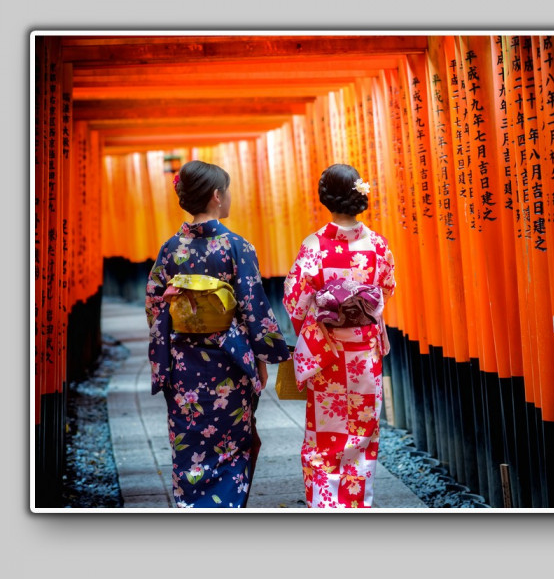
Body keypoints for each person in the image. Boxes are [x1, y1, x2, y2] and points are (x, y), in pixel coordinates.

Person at [145, 160, 290, 508]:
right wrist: (263, 356)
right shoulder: (237, 246)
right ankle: (226, 509)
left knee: (189, 442)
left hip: (183, 362)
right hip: (228, 362)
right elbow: (253, 305)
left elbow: (154, 304)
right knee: (231, 446)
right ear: (216, 195)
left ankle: (192, 507)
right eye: (227, 191)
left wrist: (173, 328)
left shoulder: (171, 249)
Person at [283, 163, 396, 508]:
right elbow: (386, 290)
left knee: (324, 433)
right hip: (365, 354)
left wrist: (313, 328)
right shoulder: (377, 245)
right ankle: (355, 503)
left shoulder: (314, 246)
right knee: (362, 432)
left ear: (326, 198)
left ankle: (325, 503)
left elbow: (295, 302)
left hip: (327, 353)